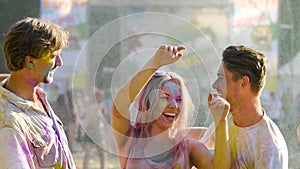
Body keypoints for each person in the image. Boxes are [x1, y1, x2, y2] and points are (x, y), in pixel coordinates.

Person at [111, 45, 231, 169]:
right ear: (148, 102)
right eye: (165, 97)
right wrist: (154, 63)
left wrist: (221, 121)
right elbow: (118, 109)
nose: (174, 105)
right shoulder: (131, 140)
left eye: (179, 100)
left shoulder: (188, 148)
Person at [0, 17, 76, 168]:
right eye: (53, 56)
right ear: (30, 61)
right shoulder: (9, 123)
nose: (60, 62)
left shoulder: (37, 98)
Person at [204, 45, 288, 168]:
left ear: (243, 83)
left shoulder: (269, 148)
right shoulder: (228, 120)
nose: (214, 85)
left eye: (221, 78)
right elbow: (188, 140)